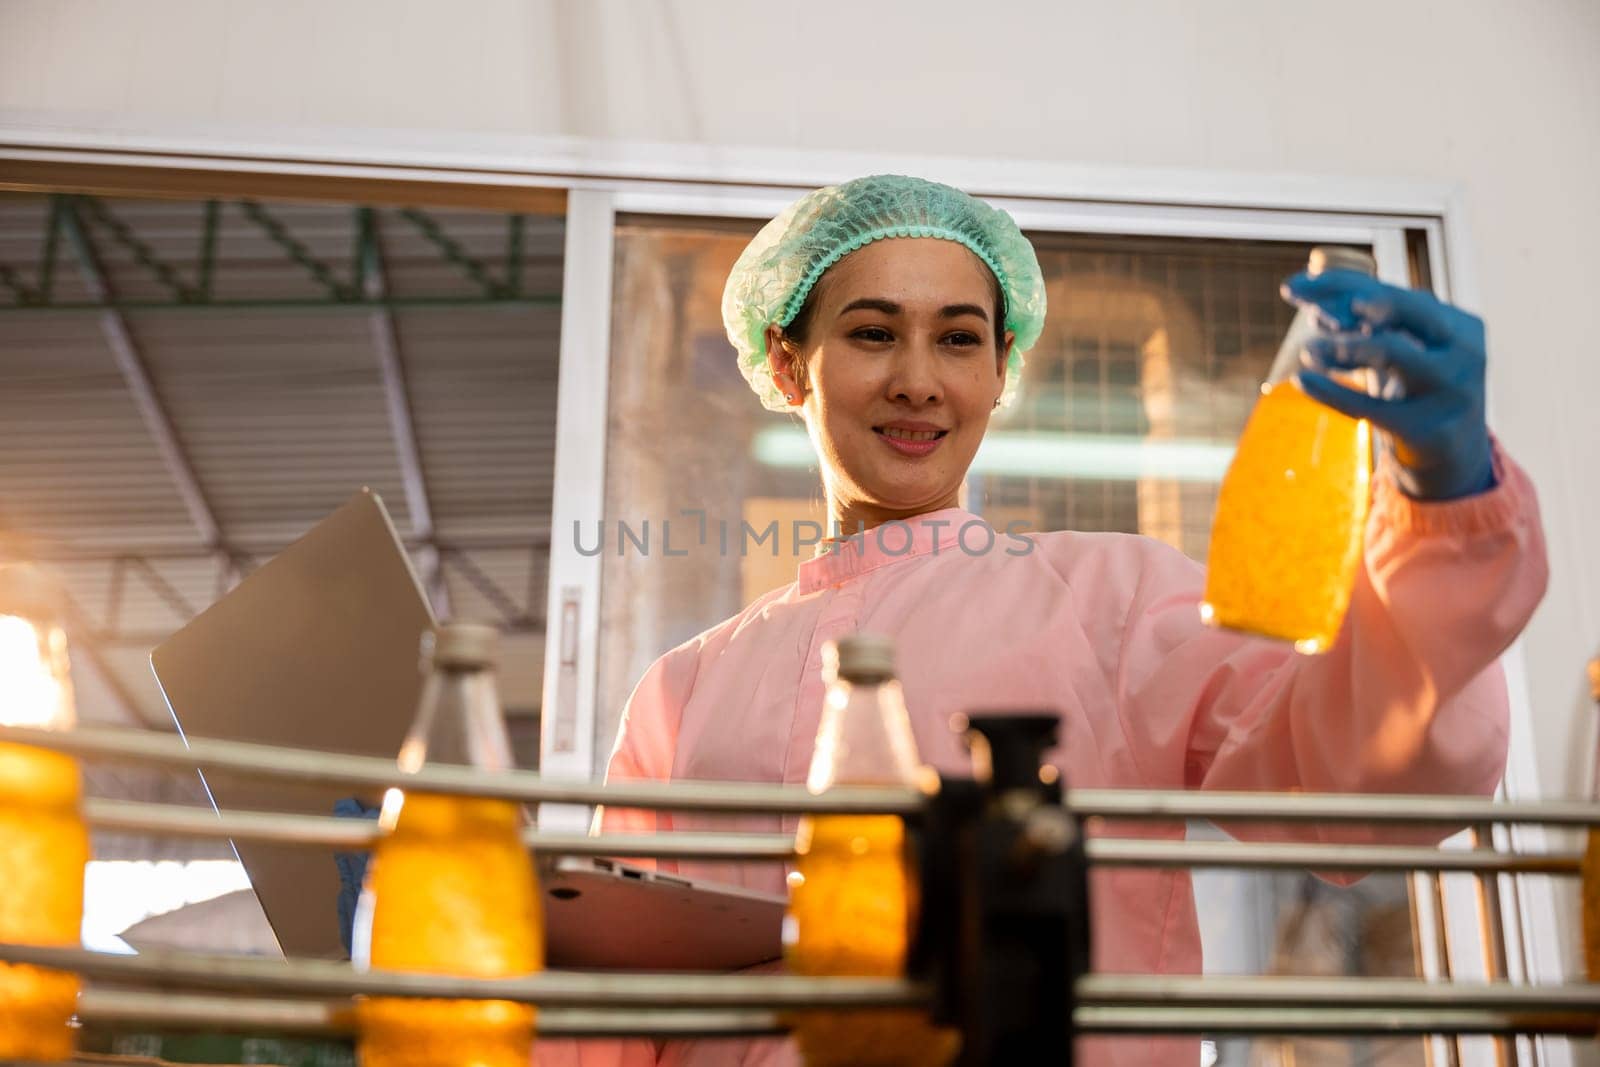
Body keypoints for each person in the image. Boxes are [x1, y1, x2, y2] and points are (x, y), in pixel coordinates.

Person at [535, 174, 1548, 1066]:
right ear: (789, 362)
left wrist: (1441, 492)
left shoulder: (1113, 601)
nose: (918, 379)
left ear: (999, 368)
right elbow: (609, 992)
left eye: (959, 339)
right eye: (872, 331)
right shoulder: (684, 687)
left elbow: (1350, 774)